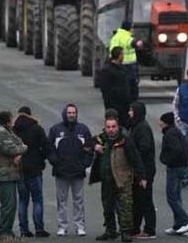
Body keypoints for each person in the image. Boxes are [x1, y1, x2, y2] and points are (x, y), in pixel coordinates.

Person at [90, 110, 147, 243]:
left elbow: (136, 159)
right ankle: (110, 231)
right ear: (105, 127)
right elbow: (89, 142)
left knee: (125, 207)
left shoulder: (125, 140)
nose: (111, 130)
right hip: (107, 180)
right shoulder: (102, 138)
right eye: (108, 127)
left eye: (113, 127)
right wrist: (95, 146)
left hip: (122, 179)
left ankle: (126, 232)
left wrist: (142, 177)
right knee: (107, 206)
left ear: (117, 126)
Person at [48, 104, 93, 237]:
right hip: (61, 172)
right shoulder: (55, 130)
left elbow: (89, 149)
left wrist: (84, 164)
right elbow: (49, 148)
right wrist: (55, 162)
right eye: (69, 112)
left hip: (77, 172)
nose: (72, 114)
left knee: (78, 200)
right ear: (65, 113)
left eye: (74, 112)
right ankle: (62, 226)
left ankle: (80, 226)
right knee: (61, 200)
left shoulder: (83, 129)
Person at [0, 110, 28, 239]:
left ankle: (7, 230)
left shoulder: (7, 131)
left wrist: (20, 149)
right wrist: (22, 149)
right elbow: (13, 149)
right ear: (7, 121)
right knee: (8, 205)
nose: (13, 122)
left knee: (11, 204)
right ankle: (4, 231)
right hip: (4, 174)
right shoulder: (0, 133)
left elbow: (19, 141)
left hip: (10, 173)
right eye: (11, 120)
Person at [13, 106, 51, 238]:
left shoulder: (13, 129)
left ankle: (24, 229)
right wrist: (43, 158)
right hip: (35, 169)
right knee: (37, 200)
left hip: (20, 169)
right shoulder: (36, 128)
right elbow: (46, 146)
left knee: (23, 200)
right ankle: (39, 229)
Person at [159, 111, 188, 235]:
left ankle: (185, 221)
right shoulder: (174, 131)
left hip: (175, 167)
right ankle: (178, 224)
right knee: (176, 196)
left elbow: (177, 150)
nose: (159, 123)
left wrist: (166, 159)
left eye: (161, 121)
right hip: (180, 166)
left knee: (172, 196)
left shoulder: (170, 134)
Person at [128, 102, 156, 239]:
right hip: (139, 170)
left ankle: (150, 229)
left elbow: (144, 149)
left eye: (131, 111)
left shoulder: (143, 128)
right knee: (137, 200)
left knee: (145, 200)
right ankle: (135, 228)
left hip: (144, 170)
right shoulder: (136, 126)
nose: (129, 113)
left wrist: (133, 158)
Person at [108, 22, 144, 101]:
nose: (133, 30)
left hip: (115, 64)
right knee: (131, 86)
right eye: (132, 28)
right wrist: (138, 43)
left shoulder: (116, 36)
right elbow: (130, 42)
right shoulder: (125, 36)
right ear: (129, 28)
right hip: (127, 65)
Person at [100, 46, 132, 127]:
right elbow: (105, 89)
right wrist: (110, 105)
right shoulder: (107, 70)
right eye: (122, 54)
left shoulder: (123, 69)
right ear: (119, 55)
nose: (123, 56)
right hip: (113, 105)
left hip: (124, 105)